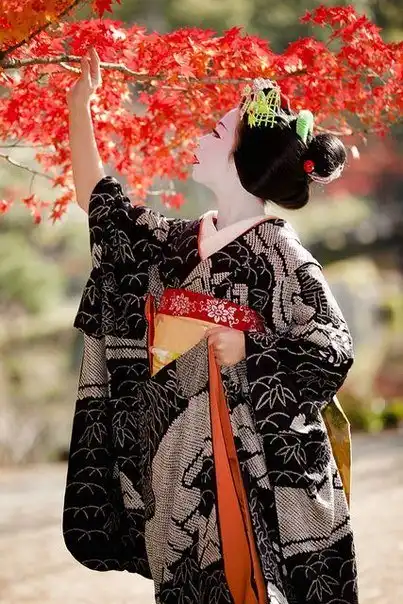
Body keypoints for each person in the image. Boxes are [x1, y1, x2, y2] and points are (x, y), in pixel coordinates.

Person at [63, 48, 358, 604]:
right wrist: (81, 108)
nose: (202, 137)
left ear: (243, 162)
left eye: (218, 132)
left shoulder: (282, 254)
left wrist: (250, 345)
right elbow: (101, 207)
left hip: (257, 476)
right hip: (176, 475)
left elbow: (331, 348)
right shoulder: (176, 243)